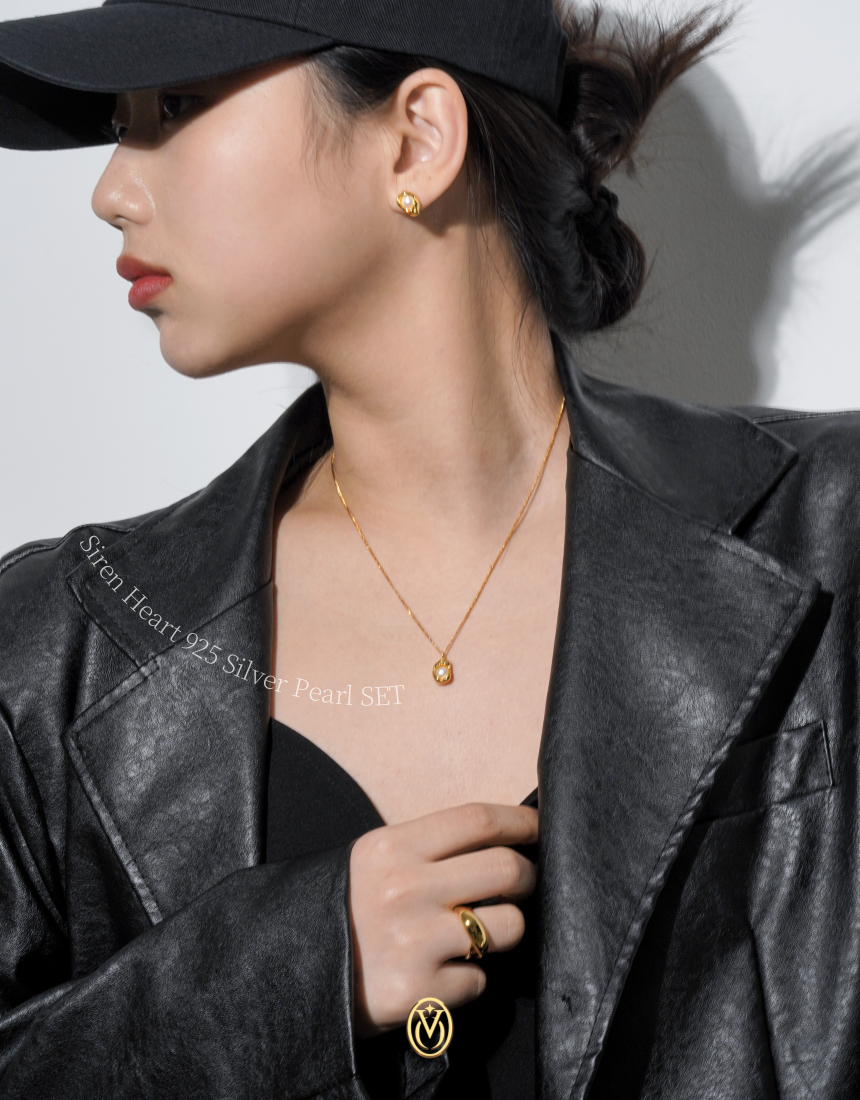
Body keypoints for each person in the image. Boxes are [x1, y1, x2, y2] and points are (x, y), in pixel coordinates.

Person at [0, 1, 858, 1097]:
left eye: (175, 106)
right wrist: (279, 980)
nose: (111, 190)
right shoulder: (55, 653)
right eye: (123, 122)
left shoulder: (829, 532)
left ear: (416, 138)